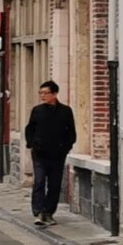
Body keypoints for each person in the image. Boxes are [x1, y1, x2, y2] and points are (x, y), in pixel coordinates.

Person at [24, 79, 77, 225]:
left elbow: (71, 132)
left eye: (46, 93)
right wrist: (32, 144)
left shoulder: (65, 111)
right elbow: (30, 129)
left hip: (58, 154)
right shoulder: (37, 110)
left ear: (54, 94)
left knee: (54, 184)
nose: (43, 96)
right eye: (41, 93)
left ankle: (48, 212)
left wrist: (66, 147)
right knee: (39, 181)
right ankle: (38, 211)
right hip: (39, 153)